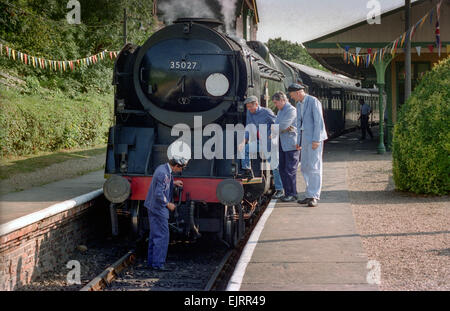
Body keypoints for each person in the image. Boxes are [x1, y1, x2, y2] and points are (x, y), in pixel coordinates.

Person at [144, 156, 188, 271]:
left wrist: (174, 182)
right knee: (162, 236)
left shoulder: (162, 168)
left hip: (152, 206)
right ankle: (158, 264)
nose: (181, 170)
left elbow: (164, 184)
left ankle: (151, 262)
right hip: (158, 208)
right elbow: (159, 194)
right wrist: (168, 204)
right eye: (181, 168)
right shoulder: (164, 173)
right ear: (176, 166)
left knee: (154, 235)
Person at [288, 83, 328, 208]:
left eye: (292, 95)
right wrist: (298, 142)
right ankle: (309, 193)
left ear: (298, 92)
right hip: (304, 138)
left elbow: (318, 121)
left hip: (314, 138)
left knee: (314, 167)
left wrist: (317, 139)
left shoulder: (313, 101)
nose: (292, 98)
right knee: (305, 166)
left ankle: (314, 196)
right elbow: (299, 124)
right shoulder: (299, 104)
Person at [238, 95, 284, 199]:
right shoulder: (250, 113)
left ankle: (280, 190)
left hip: (269, 143)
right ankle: (247, 171)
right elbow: (248, 128)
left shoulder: (267, 112)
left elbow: (276, 123)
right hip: (259, 142)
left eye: (250, 106)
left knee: (275, 166)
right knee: (244, 149)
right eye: (248, 107)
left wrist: (273, 134)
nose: (249, 109)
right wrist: (243, 142)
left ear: (256, 104)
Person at [272, 91, 300, 202]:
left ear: (283, 100)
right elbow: (276, 125)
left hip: (291, 145)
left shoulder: (291, 110)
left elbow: (282, 125)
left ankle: (293, 194)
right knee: (282, 169)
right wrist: (282, 128)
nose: (275, 105)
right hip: (282, 144)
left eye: (276, 102)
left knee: (290, 170)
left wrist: (282, 128)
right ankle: (287, 192)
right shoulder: (280, 111)